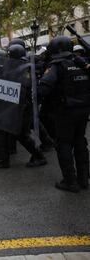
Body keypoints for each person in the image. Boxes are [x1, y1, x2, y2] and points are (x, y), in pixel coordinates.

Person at [39, 35, 90, 192]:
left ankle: (70, 181)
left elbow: (44, 88)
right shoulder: (81, 63)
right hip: (84, 110)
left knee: (64, 144)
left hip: (65, 111)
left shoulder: (56, 65)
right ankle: (83, 179)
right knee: (80, 141)